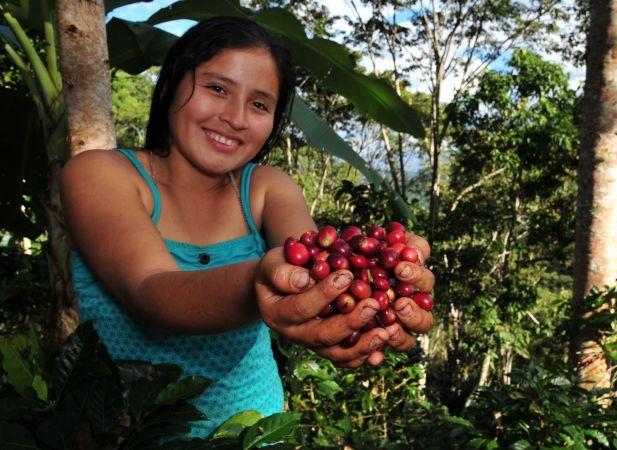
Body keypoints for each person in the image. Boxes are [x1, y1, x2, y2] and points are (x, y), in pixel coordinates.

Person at [60, 16, 435, 438]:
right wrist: (263, 284)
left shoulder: (267, 188)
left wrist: (370, 304)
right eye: (217, 88)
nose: (235, 118)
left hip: (252, 435)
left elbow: (316, 265)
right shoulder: (98, 174)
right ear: (171, 86)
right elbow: (153, 293)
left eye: (259, 104)